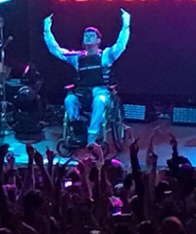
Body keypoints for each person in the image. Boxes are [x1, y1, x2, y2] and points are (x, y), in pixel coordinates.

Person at [43, 9, 131, 143]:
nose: (88, 36)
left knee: (99, 100)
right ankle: (77, 130)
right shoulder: (77, 57)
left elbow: (121, 45)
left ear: (98, 40)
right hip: (82, 93)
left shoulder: (106, 55)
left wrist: (126, 24)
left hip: (101, 92)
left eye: (92, 35)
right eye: (86, 35)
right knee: (69, 100)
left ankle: (92, 137)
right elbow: (56, 50)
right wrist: (47, 30)